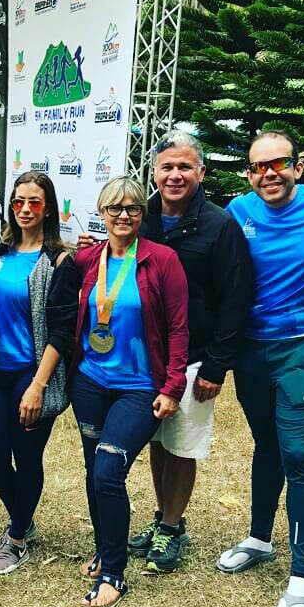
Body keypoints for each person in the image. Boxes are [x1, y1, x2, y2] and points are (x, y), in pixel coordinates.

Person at [218, 130, 304, 607]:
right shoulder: (238, 210)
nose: (269, 174)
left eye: (279, 163)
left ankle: (302, 577)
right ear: (248, 173)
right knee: (266, 444)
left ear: (298, 166)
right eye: (258, 166)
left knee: (299, 454)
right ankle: (259, 538)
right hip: (252, 351)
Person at [120, 132, 251, 573]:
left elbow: (235, 298)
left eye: (184, 167)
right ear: (154, 173)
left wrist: (216, 365)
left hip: (194, 358)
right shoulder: (143, 218)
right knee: (158, 440)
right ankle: (163, 515)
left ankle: (172, 527)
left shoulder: (220, 225)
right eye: (167, 168)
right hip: (147, 358)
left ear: (201, 172)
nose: (175, 176)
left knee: (182, 446)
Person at [71, 176, 188, 607]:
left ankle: (114, 574)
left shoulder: (162, 259)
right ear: (101, 213)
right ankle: (105, 550)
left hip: (139, 387)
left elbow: (179, 327)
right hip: (89, 381)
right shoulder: (87, 258)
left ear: (142, 214)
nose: (123, 215)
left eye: (133, 208)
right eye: (115, 208)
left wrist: (173, 386)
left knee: (108, 471)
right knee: (93, 470)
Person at [0, 172, 79, 575]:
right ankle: (24, 515)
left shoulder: (58, 262)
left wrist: (38, 386)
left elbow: (62, 332)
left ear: (48, 208)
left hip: (31, 375)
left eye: (34, 202)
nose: (24, 209)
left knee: (27, 456)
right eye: (18, 201)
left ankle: (17, 536)